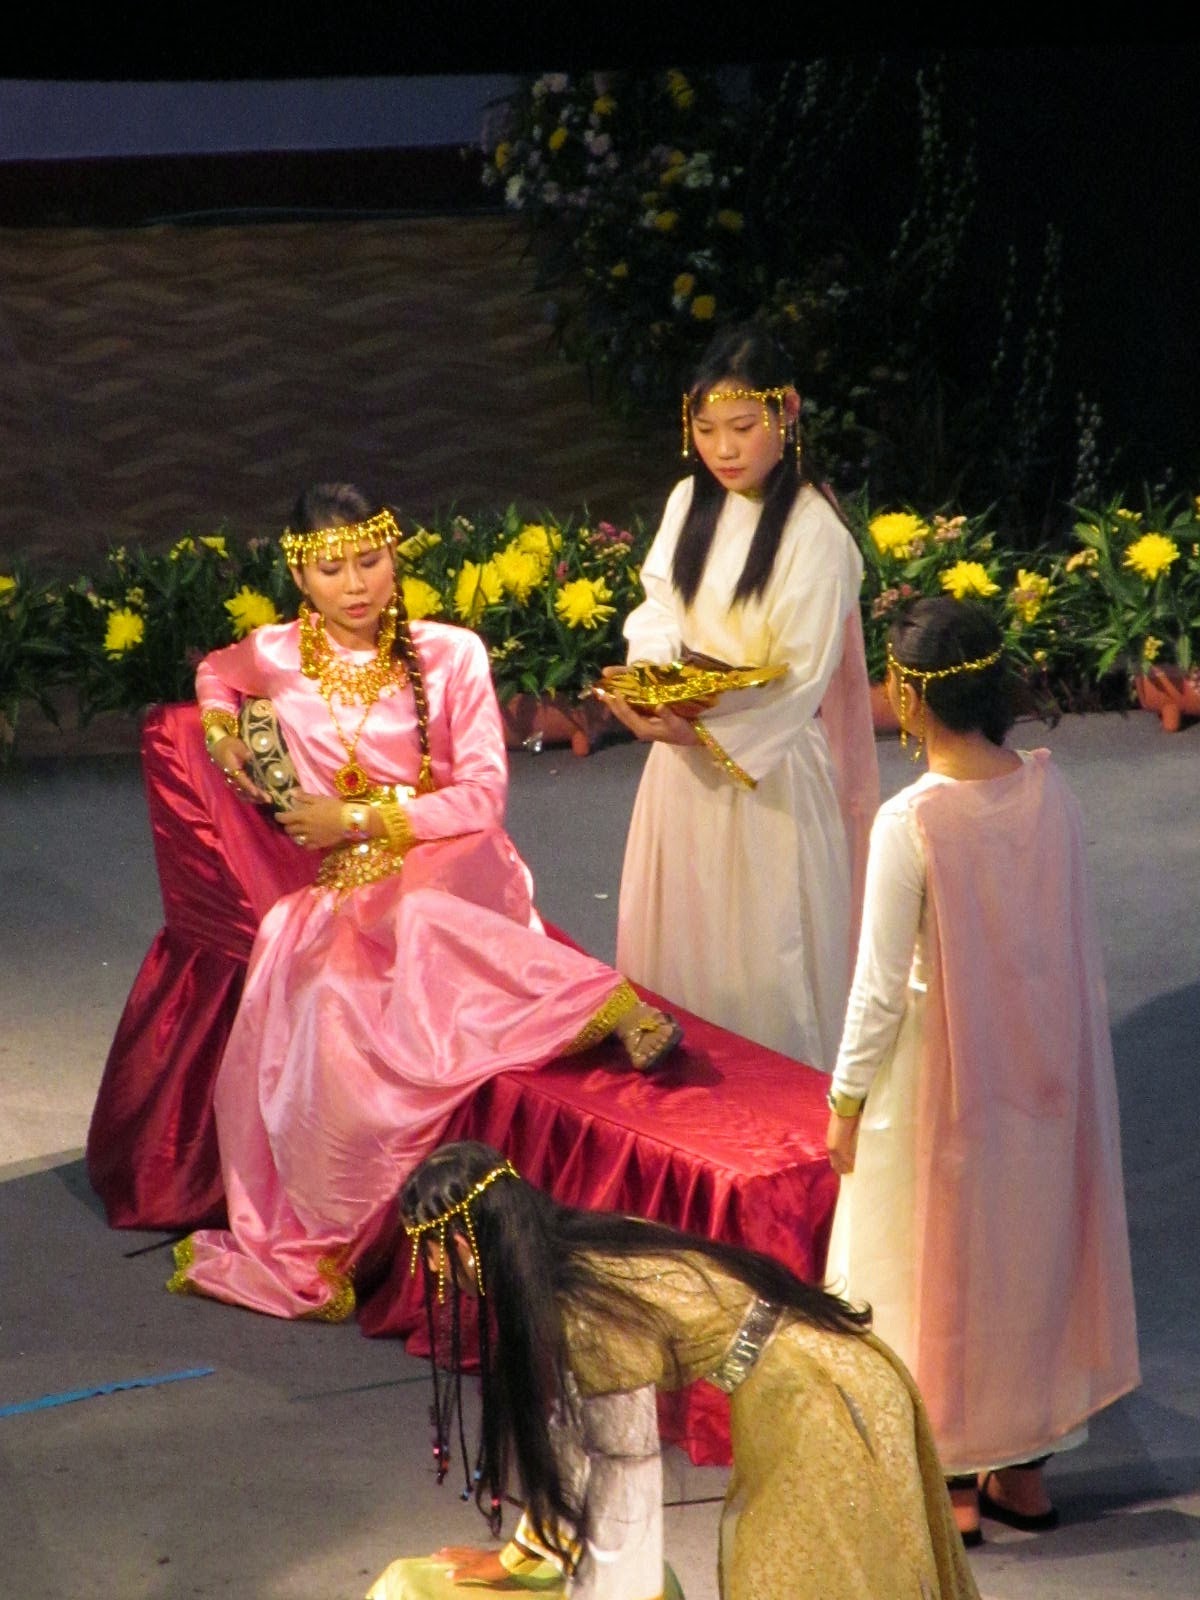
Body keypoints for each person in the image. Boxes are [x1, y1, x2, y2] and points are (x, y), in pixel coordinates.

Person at [166, 483, 681, 1321]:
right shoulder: (277, 653)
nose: (356, 585)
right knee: (325, 998)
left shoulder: (451, 654)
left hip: (452, 856)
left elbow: (482, 797)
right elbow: (214, 674)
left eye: (371, 561)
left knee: (422, 917)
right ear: (301, 577)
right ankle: (335, 1230)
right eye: (332, 570)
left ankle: (608, 1004)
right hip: (350, 884)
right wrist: (224, 735)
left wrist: (356, 818)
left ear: (394, 555)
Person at [824, 597, 1140, 1544]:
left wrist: (845, 1098)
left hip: (941, 1084)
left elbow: (880, 988)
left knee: (930, 1269)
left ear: (912, 696)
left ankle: (954, 1478)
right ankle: (1025, 1474)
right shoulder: (1050, 791)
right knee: (1029, 1258)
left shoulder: (912, 821)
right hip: (1044, 1078)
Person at [374, 1138, 981, 1600]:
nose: (433, 1273)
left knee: (799, 1576)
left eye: (431, 1254)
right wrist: (518, 1557)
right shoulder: (582, 1256)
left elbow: (622, 1481)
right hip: (815, 1377)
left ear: (463, 1247)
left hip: (820, 1397)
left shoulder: (584, 1308)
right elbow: (577, 1450)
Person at [598, 322, 878, 1069]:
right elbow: (660, 604)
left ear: (787, 413)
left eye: (743, 427)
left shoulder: (817, 534)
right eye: (707, 430)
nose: (724, 449)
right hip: (681, 771)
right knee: (678, 953)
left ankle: (782, 1120)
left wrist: (697, 727)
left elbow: (801, 674)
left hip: (767, 774)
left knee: (766, 969)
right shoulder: (689, 501)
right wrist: (651, 674)